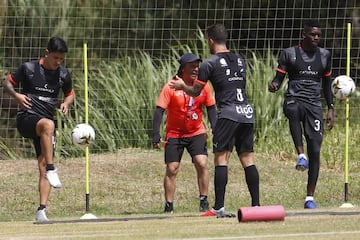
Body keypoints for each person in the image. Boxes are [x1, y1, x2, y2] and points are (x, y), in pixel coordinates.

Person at [169, 24, 260, 217]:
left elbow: (195, 91)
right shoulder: (240, 60)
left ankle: (218, 208)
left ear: (210, 40)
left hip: (228, 114)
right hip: (246, 112)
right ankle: (257, 207)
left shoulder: (210, 63)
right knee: (248, 159)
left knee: (221, 159)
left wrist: (181, 86)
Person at [2, 36, 74, 221]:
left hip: (45, 130)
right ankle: (52, 168)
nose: (58, 62)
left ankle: (42, 210)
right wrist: (16, 96)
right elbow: (6, 82)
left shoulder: (64, 74)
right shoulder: (29, 68)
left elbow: (70, 94)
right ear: (46, 53)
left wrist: (66, 103)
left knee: (42, 164)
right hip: (26, 119)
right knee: (49, 125)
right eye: (55, 58)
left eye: (61, 59)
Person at [268, 19, 334, 209]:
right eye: (313, 34)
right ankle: (300, 154)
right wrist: (274, 85)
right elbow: (278, 79)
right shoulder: (290, 53)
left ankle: (309, 198)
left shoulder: (324, 56)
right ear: (304, 34)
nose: (316, 38)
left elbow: (327, 85)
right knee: (292, 109)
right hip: (295, 98)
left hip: (314, 104)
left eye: (319, 35)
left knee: (316, 150)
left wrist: (330, 108)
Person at [153, 53, 217, 213]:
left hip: (196, 131)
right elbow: (159, 110)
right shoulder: (171, 86)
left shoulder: (203, 86)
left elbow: (211, 108)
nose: (196, 69)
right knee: (172, 169)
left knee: (202, 163)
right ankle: (169, 206)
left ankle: (204, 200)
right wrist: (155, 134)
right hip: (174, 133)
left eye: (197, 66)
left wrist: (216, 129)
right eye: (192, 66)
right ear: (183, 68)